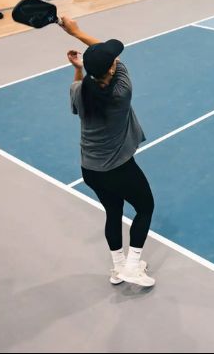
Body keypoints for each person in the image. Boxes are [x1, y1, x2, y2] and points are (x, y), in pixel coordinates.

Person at [62, 17, 155, 288]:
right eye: (113, 61)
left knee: (113, 212)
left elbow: (79, 89)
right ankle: (133, 266)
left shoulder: (81, 90)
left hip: (90, 170)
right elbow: (109, 56)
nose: (116, 60)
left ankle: (117, 268)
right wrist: (77, 32)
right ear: (112, 69)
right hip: (119, 169)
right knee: (145, 208)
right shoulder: (121, 91)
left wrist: (80, 69)